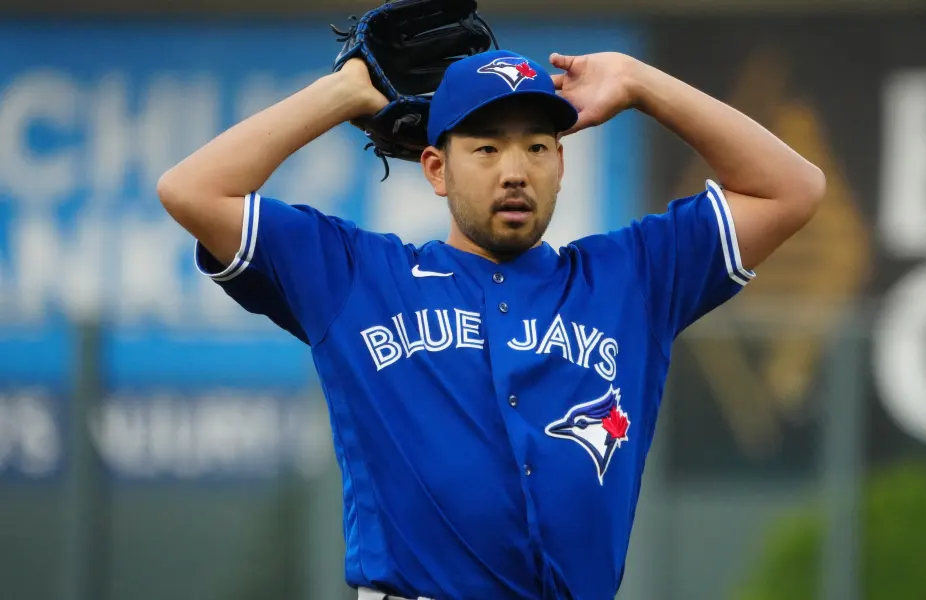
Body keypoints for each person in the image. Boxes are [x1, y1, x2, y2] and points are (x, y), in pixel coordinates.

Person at [158, 48, 824, 600]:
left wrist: (642, 84)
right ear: (436, 169)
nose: (515, 171)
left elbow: (793, 188)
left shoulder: (631, 280)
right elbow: (192, 190)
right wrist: (346, 92)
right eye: (486, 149)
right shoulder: (357, 277)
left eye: (538, 146)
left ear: (561, 166)